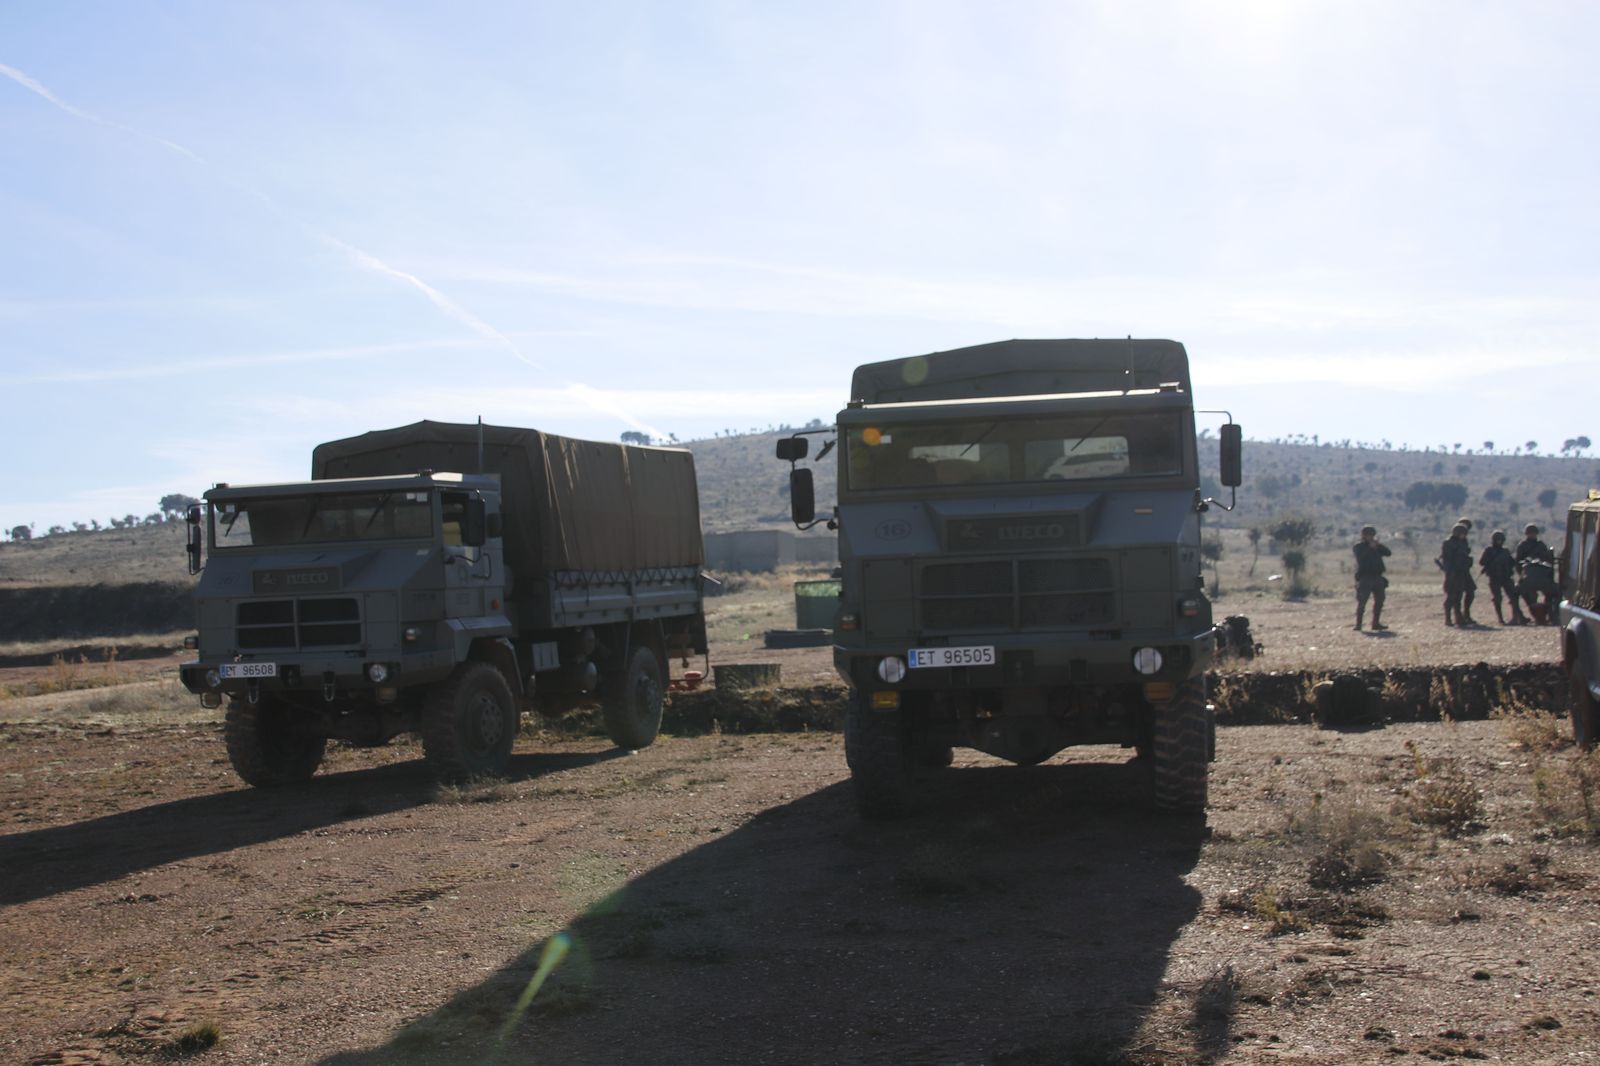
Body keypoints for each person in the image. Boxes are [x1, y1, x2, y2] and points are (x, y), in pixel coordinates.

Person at [1479, 529, 1528, 625]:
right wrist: (1490, 564)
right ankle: (1501, 619)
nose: (1499, 542)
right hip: (1494, 578)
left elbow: (1512, 562)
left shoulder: (1505, 551)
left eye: (1501, 540)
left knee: (1513, 596)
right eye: (1498, 540)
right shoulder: (1489, 550)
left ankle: (1517, 617)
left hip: (1506, 577)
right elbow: (1482, 562)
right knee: (1497, 598)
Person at [1515, 523, 1559, 623]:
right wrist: (1522, 576)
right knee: (1520, 594)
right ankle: (1521, 617)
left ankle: (1551, 615)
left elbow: (1548, 562)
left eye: (1534, 533)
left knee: (1555, 592)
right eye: (1530, 533)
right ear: (1526, 534)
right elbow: (1518, 563)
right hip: (1528, 577)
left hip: (1542, 577)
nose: (1532, 535)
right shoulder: (1522, 546)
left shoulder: (1541, 545)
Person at [1351, 525, 1391, 630]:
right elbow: (1360, 557)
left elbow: (1388, 553)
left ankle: (1376, 623)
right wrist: (1370, 548)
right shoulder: (1359, 546)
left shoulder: (1376, 546)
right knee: (1362, 601)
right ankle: (1358, 624)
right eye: (1368, 535)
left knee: (1380, 600)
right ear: (1364, 535)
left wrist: (1378, 546)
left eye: (1372, 535)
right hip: (1365, 577)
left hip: (1377, 577)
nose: (1370, 537)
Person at [1438, 522, 1476, 625]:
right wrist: (1450, 571)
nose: (1464, 536)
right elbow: (1447, 559)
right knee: (1452, 596)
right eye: (1462, 533)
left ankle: (1464, 615)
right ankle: (1449, 618)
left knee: (1470, 592)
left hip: (1463, 571)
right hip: (1454, 572)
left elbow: (1465, 554)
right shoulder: (1448, 543)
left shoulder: (1463, 542)